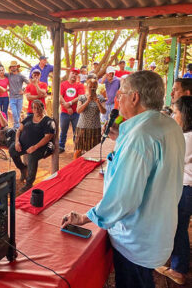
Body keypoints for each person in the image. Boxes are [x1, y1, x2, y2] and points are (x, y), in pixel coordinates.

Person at [61, 71, 185, 288]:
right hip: (158, 229)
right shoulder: (169, 125)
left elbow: (123, 198)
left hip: (136, 237)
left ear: (135, 97)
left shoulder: (140, 137)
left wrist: (86, 217)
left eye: (122, 94)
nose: (118, 99)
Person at [155, 95, 192, 285]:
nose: (173, 117)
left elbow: (166, 159)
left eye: (175, 113)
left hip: (185, 189)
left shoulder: (185, 138)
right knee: (180, 227)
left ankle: (178, 269)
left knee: (178, 228)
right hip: (187, 189)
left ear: (185, 115)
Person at [9, 100, 55, 192]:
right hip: (23, 144)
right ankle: (22, 168)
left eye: (39, 107)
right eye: (34, 108)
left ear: (43, 108)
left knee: (32, 156)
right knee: (12, 150)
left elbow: (48, 137)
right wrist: (17, 141)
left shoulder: (48, 121)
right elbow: (19, 130)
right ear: (32, 109)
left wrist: (35, 147)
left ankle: (29, 183)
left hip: (41, 147)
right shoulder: (29, 118)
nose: (37, 110)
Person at [74, 78, 106, 159]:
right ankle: (75, 168)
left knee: (93, 150)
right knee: (78, 149)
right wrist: (88, 101)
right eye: (90, 86)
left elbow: (103, 111)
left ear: (97, 87)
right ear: (86, 87)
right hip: (82, 127)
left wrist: (97, 101)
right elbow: (78, 110)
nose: (92, 88)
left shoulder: (100, 98)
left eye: (94, 87)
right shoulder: (82, 97)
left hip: (95, 128)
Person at [58, 67, 85, 153]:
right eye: (73, 73)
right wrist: (67, 107)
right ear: (69, 73)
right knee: (63, 130)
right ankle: (61, 146)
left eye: (76, 74)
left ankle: (77, 148)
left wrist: (69, 103)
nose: (74, 75)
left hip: (76, 112)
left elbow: (80, 96)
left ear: (78, 76)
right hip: (64, 112)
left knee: (76, 131)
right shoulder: (63, 84)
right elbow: (60, 96)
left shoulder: (80, 85)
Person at [6, 61, 29, 128]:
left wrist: (24, 91)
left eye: (14, 66)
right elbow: (0, 74)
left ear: (17, 67)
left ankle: (16, 128)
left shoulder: (21, 75)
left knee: (18, 114)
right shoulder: (9, 75)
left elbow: (29, 83)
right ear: (10, 68)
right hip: (12, 97)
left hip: (20, 98)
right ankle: (17, 127)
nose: (13, 67)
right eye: (12, 66)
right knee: (14, 113)